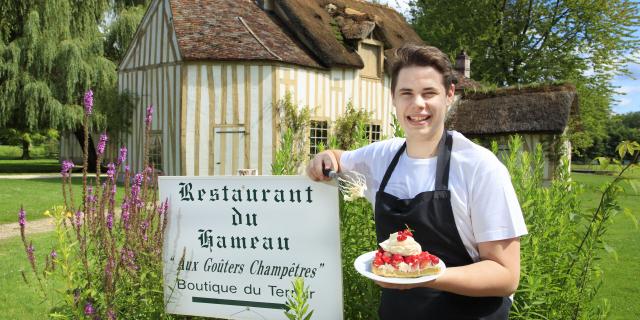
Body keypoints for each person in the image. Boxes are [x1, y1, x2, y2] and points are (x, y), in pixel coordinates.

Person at [306, 44, 527, 319]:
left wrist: (423, 275)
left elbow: (505, 275)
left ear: (449, 95)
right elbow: (338, 158)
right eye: (407, 93)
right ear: (393, 98)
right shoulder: (381, 157)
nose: (417, 104)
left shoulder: (480, 168)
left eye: (429, 93)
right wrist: (324, 157)